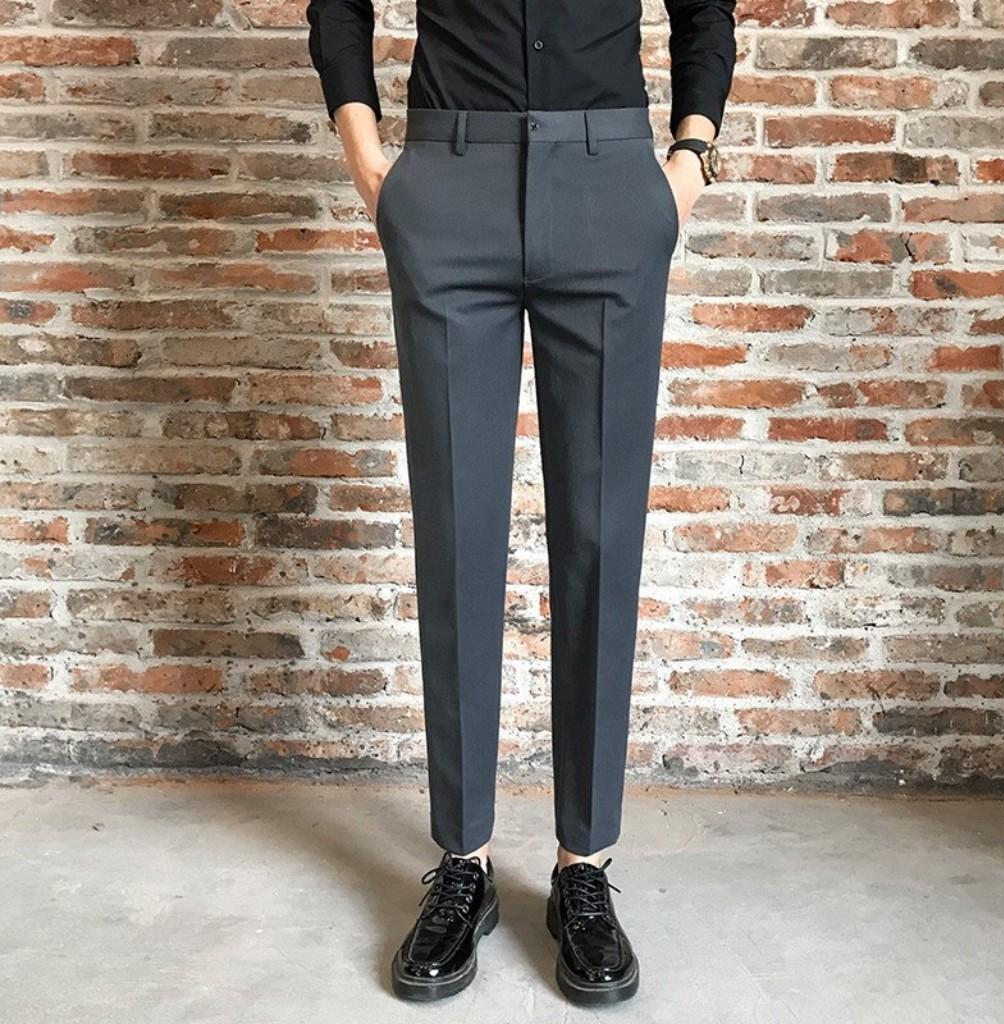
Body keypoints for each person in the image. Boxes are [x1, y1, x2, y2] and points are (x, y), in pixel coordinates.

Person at [306, 0, 736, 1005]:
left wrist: (688, 163)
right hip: (450, 183)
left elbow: (704, 10)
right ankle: (463, 860)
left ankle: (583, 865)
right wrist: (369, 164)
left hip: (608, 185)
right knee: (457, 532)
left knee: (600, 533)